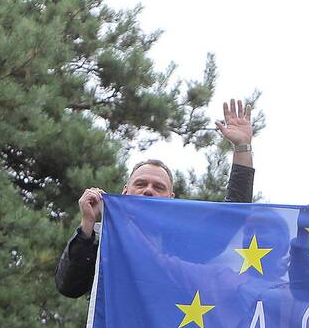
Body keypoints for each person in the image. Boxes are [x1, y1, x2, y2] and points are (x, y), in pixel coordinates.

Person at [56, 99, 256, 298]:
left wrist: (242, 149)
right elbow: (69, 286)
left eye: (158, 187)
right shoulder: (100, 236)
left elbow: (230, 220)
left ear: (170, 199)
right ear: (125, 191)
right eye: (141, 184)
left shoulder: (179, 241)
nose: (149, 190)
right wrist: (87, 225)